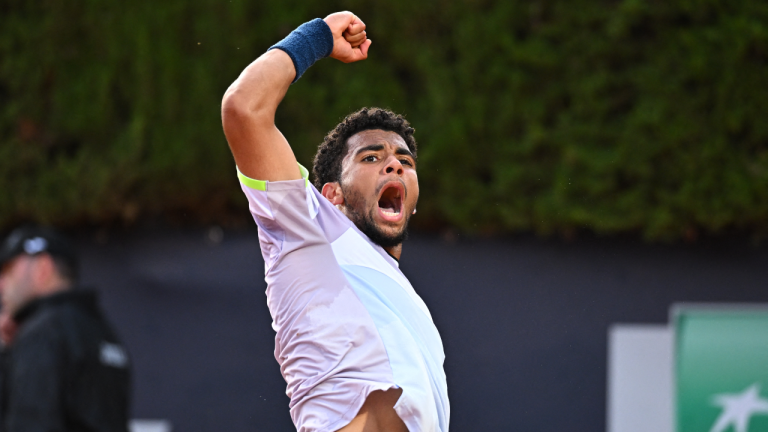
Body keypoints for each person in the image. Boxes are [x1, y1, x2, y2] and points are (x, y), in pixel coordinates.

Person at [221, 11, 449, 432]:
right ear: (332, 196)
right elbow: (244, 109)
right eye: (371, 157)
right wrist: (318, 36)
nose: (395, 166)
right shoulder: (308, 231)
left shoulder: (412, 311)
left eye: (405, 161)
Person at [0, 225, 131, 432]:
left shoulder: (43, 334)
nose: (1, 284)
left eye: (7, 270)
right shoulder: (104, 333)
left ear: (43, 268)